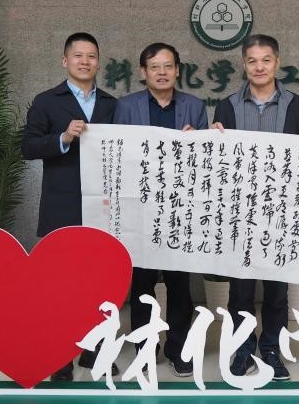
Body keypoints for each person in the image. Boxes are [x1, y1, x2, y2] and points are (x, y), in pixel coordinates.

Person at [211, 34, 299, 381]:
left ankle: (271, 349)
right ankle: (242, 350)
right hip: (240, 213)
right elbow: (219, 161)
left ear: (277, 62)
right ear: (244, 64)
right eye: (252, 61)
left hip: (281, 213)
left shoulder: (297, 106)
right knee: (240, 290)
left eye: (266, 60)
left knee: (277, 290)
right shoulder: (227, 106)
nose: (259, 67)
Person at [21, 31, 119, 382]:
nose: (84, 61)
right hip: (61, 205)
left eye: (91, 56)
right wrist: (61, 138)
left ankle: (97, 352)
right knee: (59, 288)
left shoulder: (112, 104)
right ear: (65, 61)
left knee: (100, 285)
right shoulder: (47, 101)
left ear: (98, 62)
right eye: (78, 55)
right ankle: (60, 357)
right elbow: (27, 146)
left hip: (103, 208)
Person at [114, 42, 209, 378]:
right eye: (154, 66)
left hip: (180, 212)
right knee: (142, 285)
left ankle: (178, 349)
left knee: (179, 285)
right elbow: (118, 155)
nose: (162, 72)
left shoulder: (194, 106)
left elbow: (206, 161)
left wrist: (199, 141)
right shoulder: (126, 107)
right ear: (143, 72)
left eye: (168, 66)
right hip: (141, 211)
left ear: (178, 70)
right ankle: (145, 347)